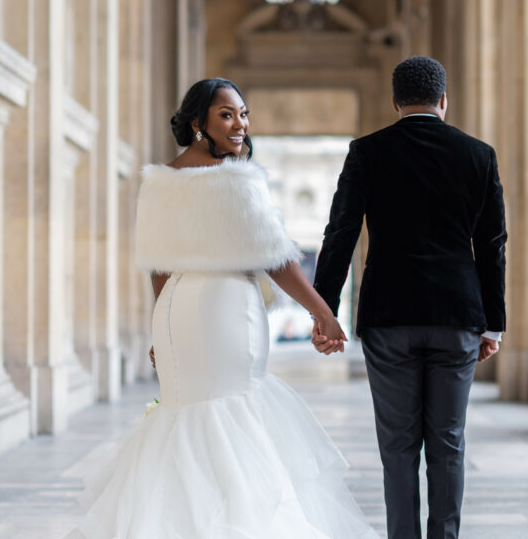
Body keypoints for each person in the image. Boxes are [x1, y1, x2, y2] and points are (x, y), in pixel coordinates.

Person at [65, 78, 378, 539]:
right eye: (226, 114)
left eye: (243, 114)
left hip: (176, 309)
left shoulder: (161, 180)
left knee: (187, 415)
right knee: (233, 413)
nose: (240, 125)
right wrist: (323, 312)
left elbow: (159, 268)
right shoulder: (238, 179)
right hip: (226, 308)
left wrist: (160, 330)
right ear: (199, 123)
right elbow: (278, 260)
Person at [312, 57, 507, 539]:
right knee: (448, 443)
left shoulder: (367, 151)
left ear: (395, 102)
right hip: (457, 315)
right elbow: (492, 245)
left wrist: (324, 312)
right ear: (444, 100)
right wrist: (492, 323)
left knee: (398, 447)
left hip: (388, 316)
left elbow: (340, 234)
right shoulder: (478, 154)